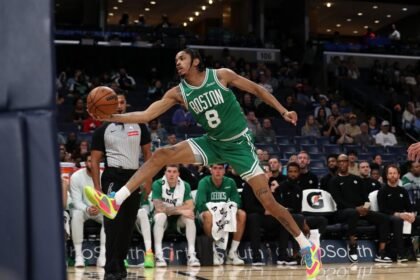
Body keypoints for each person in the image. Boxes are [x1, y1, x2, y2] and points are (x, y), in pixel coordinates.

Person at [85, 48, 321, 278]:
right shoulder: (178, 92)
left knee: (267, 200)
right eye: (175, 59)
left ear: (196, 61)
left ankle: (306, 247)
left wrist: (282, 110)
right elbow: (146, 115)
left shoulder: (221, 76)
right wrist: (111, 117)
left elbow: (257, 90)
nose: (177, 62)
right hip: (213, 143)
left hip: (239, 145)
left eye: (182, 58)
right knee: (162, 154)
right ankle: (115, 201)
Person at [90, 93, 153, 279]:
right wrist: (97, 188)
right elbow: (94, 161)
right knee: (112, 223)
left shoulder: (140, 125)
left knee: (127, 224)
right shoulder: (102, 129)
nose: (119, 105)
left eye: (122, 102)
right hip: (112, 177)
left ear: (126, 104)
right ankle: (111, 268)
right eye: (115, 102)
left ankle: (120, 266)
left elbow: (149, 155)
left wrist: (148, 180)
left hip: (133, 177)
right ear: (109, 106)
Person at [329, 154, 391, 263]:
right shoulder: (334, 181)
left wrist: (366, 208)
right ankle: (352, 246)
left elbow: (366, 198)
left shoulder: (357, 179)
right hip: (342, 212)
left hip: (361, 210)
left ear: (348, 163)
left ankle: (381, 252)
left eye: (344, 161)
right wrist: (356, 209)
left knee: (384, 218)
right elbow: (338, 201)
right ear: (337, 164)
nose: (342, 163)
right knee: (353, 213)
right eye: (340, 161)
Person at [195, 164, 246, 265]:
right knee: (208, 215)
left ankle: (232, 253)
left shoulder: (230, 182)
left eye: (220, 168)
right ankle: (213, 251)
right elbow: (200, 205)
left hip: (225, 215)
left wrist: (223, 210)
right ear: (211, 170)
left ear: (224, 171)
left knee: (242, 214)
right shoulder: (204, 182)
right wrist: (219, 210)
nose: (217, 171)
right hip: (207, 215)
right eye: (215, 168)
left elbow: (238, 202)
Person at [151, 164, 200, 267]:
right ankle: (159, 256)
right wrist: (181, 210)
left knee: (190, 218)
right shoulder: (157, 184)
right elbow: (159, 208)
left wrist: (171, 209)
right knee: (161, 216)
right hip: (162, 221)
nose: (171, 174)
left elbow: (190, 206)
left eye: (174, 172)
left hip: (178, 221)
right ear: (165, 173)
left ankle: (192, 255)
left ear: (178, 174)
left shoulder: (185, 185)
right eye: (169, 171)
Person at [69, 153, 106, 268]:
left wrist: (99, 208)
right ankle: (79, 256)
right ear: (85, 163)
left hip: (99, 210)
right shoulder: (76, 177)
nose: (93, 163)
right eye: (90, 161)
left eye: (95, 161)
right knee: (76, 214)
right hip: (83, 210)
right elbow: (76, 201)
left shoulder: (104, 176)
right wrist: (87, 208)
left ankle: (103, 256)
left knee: (110, 217)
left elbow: (107, 198)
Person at [378, 165, 418, 262]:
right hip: (389, 216)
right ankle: (401, 253)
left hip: (403, 215)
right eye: (390, 173)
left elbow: (409, 207)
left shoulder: (403, 190)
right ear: (387, 176)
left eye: (394, 173)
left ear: (399, 175)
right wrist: (398, 214)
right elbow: (382, 209)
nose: (392, 175)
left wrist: (412, 214)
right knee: (398, 220)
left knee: (416, 219)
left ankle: (414, 251)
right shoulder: (383, 190)